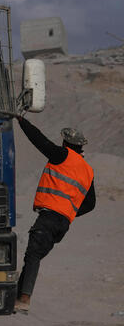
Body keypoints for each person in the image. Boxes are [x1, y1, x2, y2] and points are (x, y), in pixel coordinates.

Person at [15, 115, 96, 313]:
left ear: (66, 142)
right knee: (34, 255)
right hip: (63, 224)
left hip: (50, 217)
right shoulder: (88, 170)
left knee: (33, 254)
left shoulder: (62, 155)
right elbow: (91, 204)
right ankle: (18, 296)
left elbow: (39, 140)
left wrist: (21, 121)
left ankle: (24, 298)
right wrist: (69, 211)